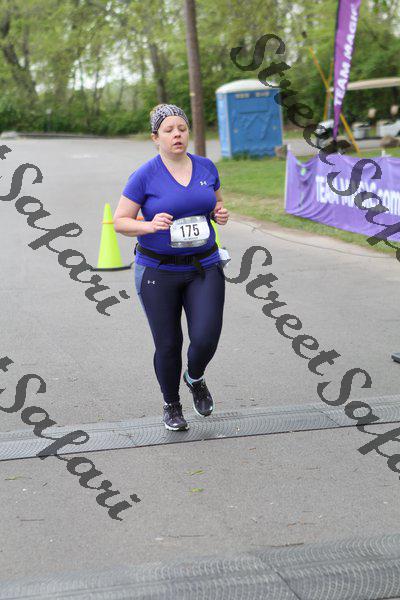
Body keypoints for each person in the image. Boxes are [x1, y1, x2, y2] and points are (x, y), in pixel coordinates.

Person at [114, 103, 229, 431]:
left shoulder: (206, 167)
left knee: (205, 338)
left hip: (204, 266)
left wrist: (219, 213)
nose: (177, 134)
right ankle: (172, 405)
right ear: (156, 137)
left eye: (182, 128)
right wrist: (148, 225)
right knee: (168, 344)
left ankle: (195, 377)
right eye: (168, 130)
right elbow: (120, 221)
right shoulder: (144, 175)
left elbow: (216, 203)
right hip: (158, 271)